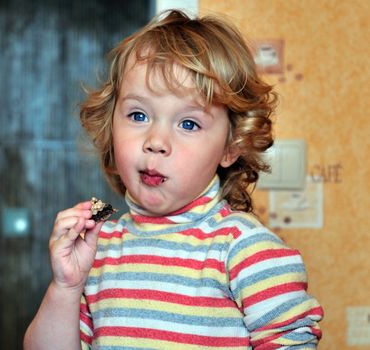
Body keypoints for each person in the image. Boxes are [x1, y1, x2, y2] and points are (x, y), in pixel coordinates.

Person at [24, 10, 323, 349]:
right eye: (139, 115)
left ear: (230, 147)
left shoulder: (244, 248)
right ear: (110, 127)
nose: (156, 141)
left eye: (188, 124)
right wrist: (65, 287)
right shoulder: (99, 248)